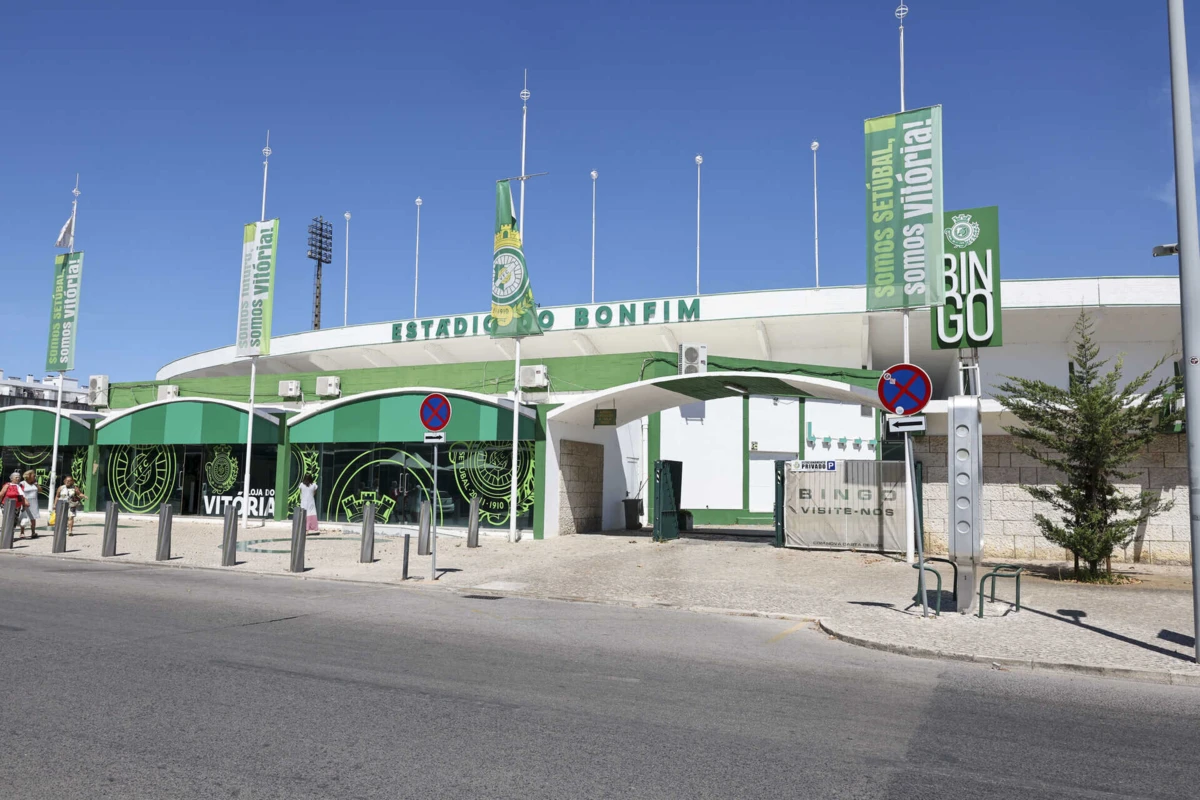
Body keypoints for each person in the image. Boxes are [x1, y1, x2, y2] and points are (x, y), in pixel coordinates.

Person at [1, 471, 27, 537]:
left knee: (14, 520)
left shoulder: (20, 486)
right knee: (7, 519)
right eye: (16, 477)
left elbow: (22, 497)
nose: (18, 478)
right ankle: (5, 535)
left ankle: (11, 535)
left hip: (17, 506)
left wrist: (24, 505)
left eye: (19, 477)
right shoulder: (7, 485)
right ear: (11, 478)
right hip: (6, 505)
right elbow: (1, 494)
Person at [18, 470, 39, 539]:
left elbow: (40, 490)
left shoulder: (34, 483)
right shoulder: (22, 483)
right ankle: (22, 532)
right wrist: (24, 501)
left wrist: (36, 484)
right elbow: (19, 493)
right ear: (29, 476)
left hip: (34, 502)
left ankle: (33, 532)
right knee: (23, 517)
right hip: (25, 502)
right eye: (33, 475)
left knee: (33, 518)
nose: (35, 477)